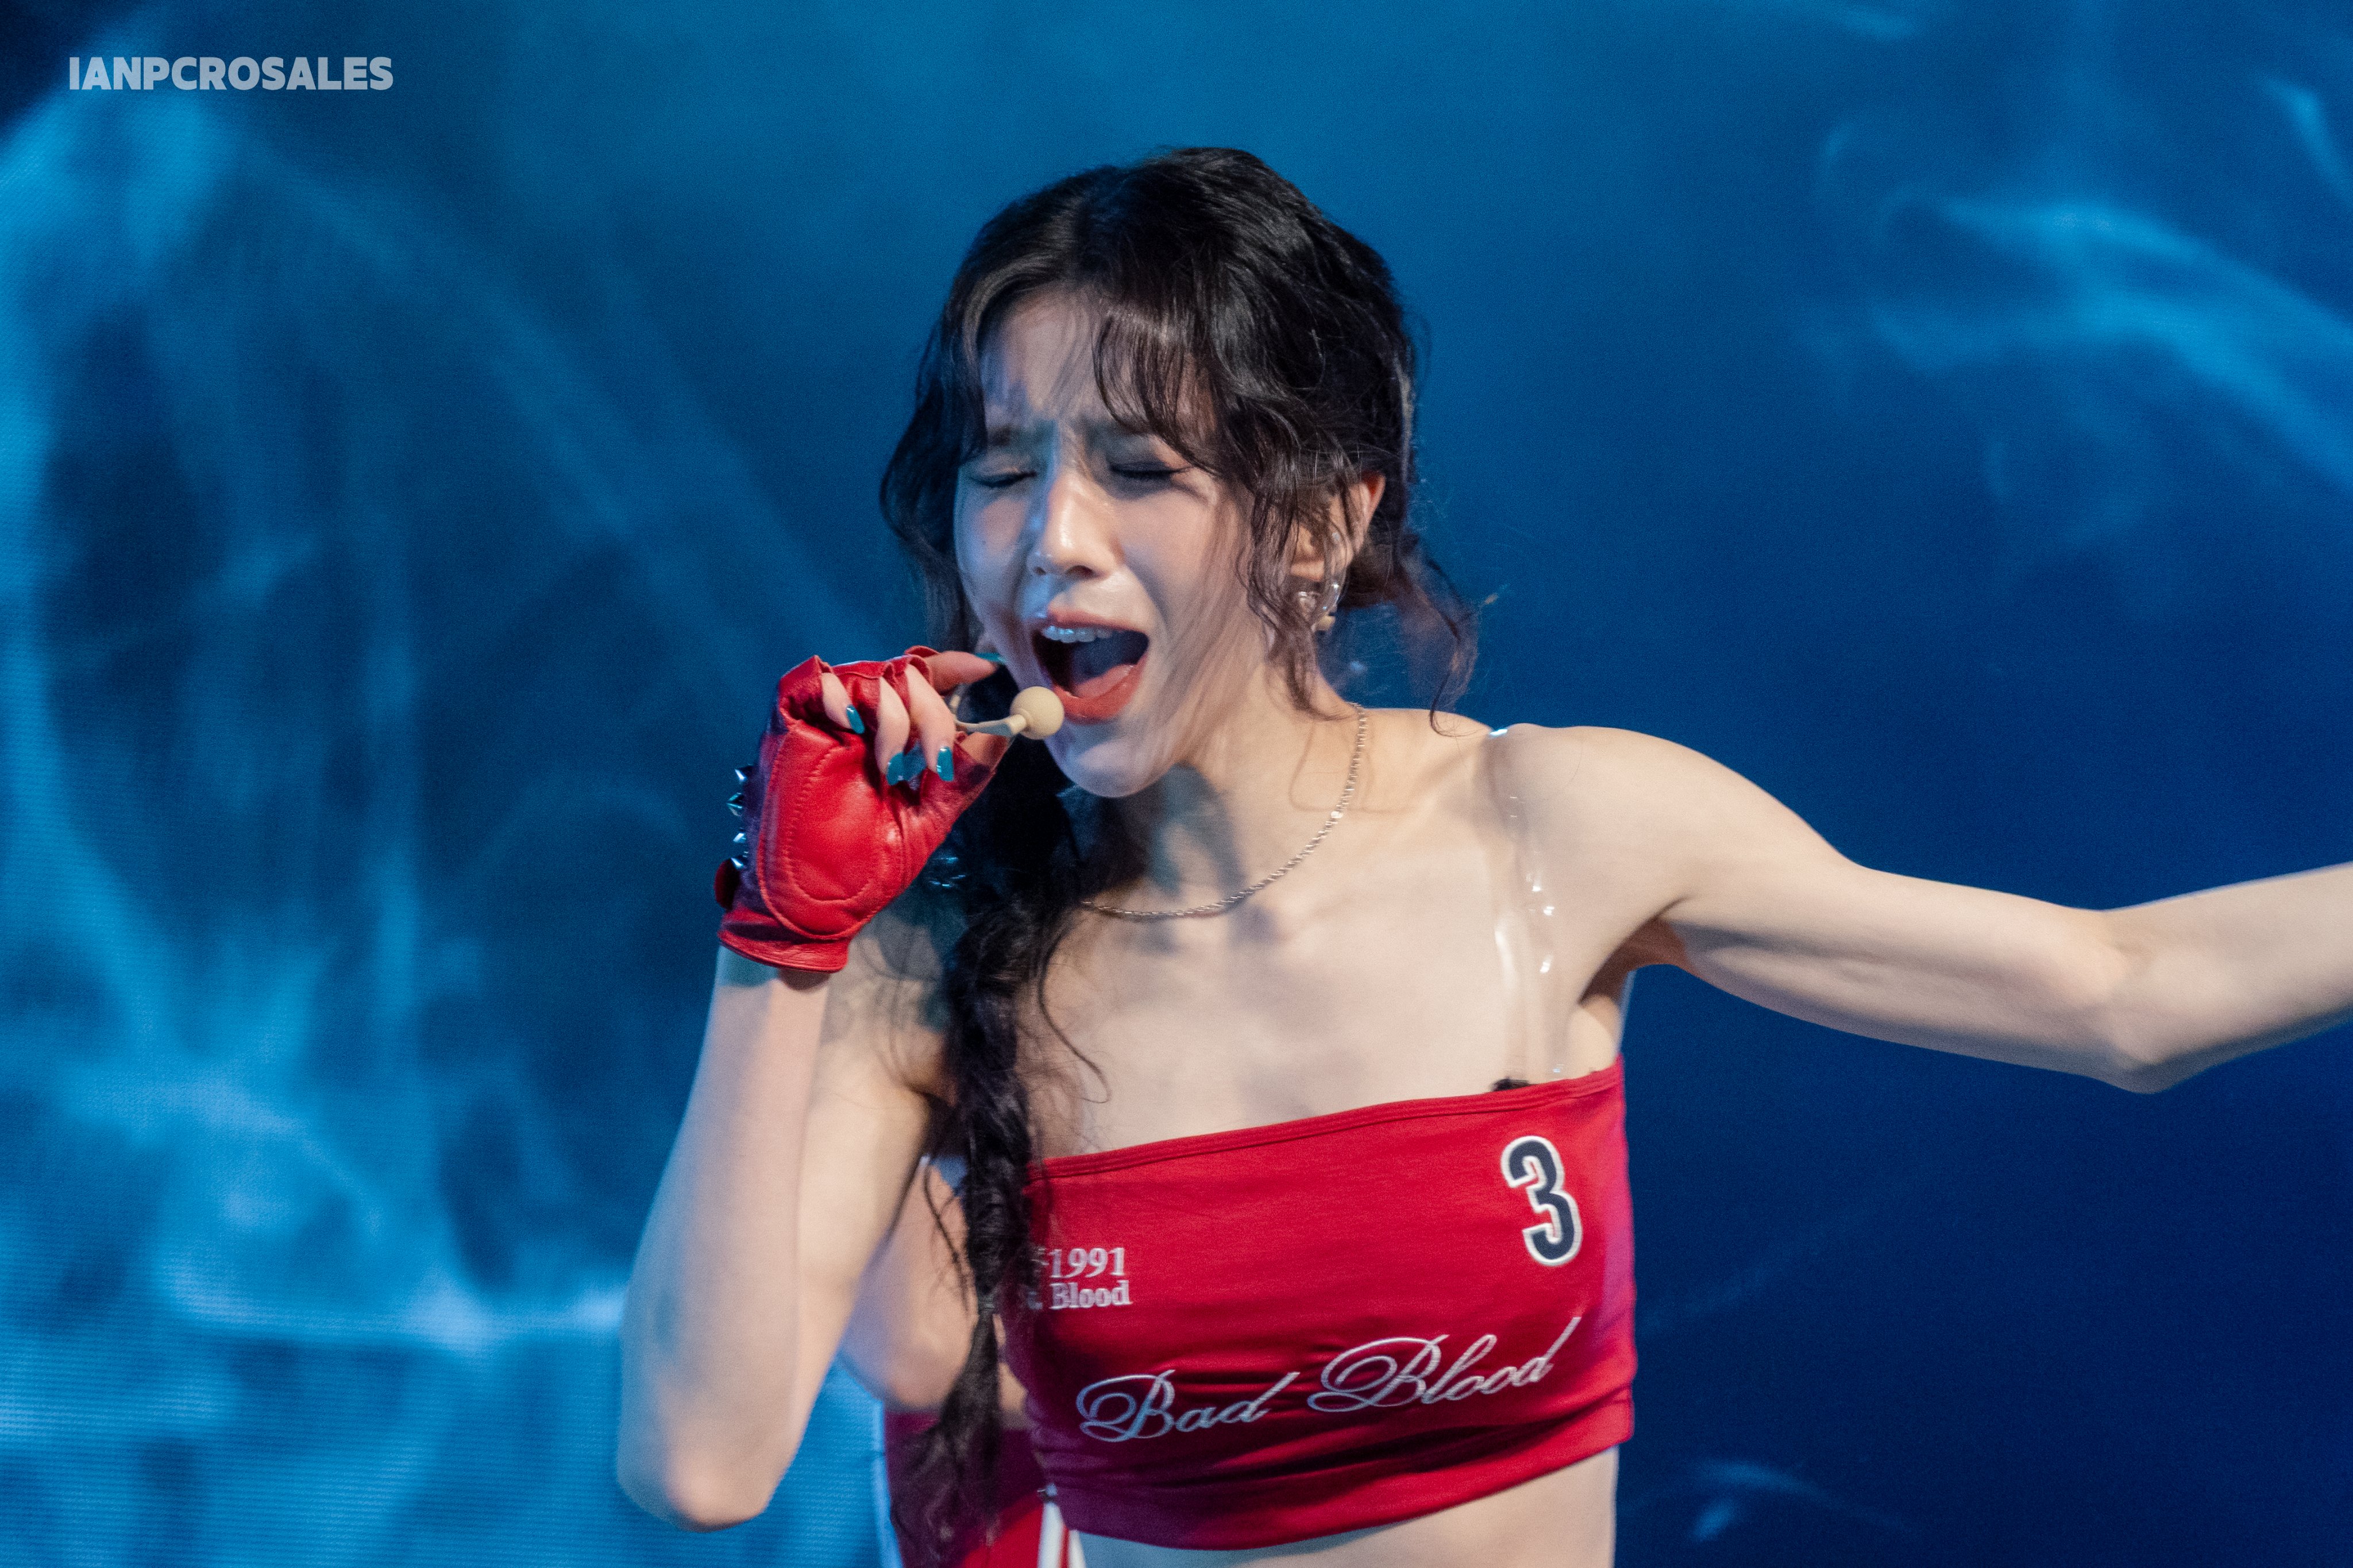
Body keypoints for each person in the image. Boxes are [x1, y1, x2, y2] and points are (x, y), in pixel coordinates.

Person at [614, 146, 2353, 1567]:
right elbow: (699, 1461)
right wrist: (782, 937)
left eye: (1138, 468)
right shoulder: (936, 972)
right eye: (1004, 472)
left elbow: (2127, 994)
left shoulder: (1557, 834)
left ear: (1322, 518)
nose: (1049, 540)